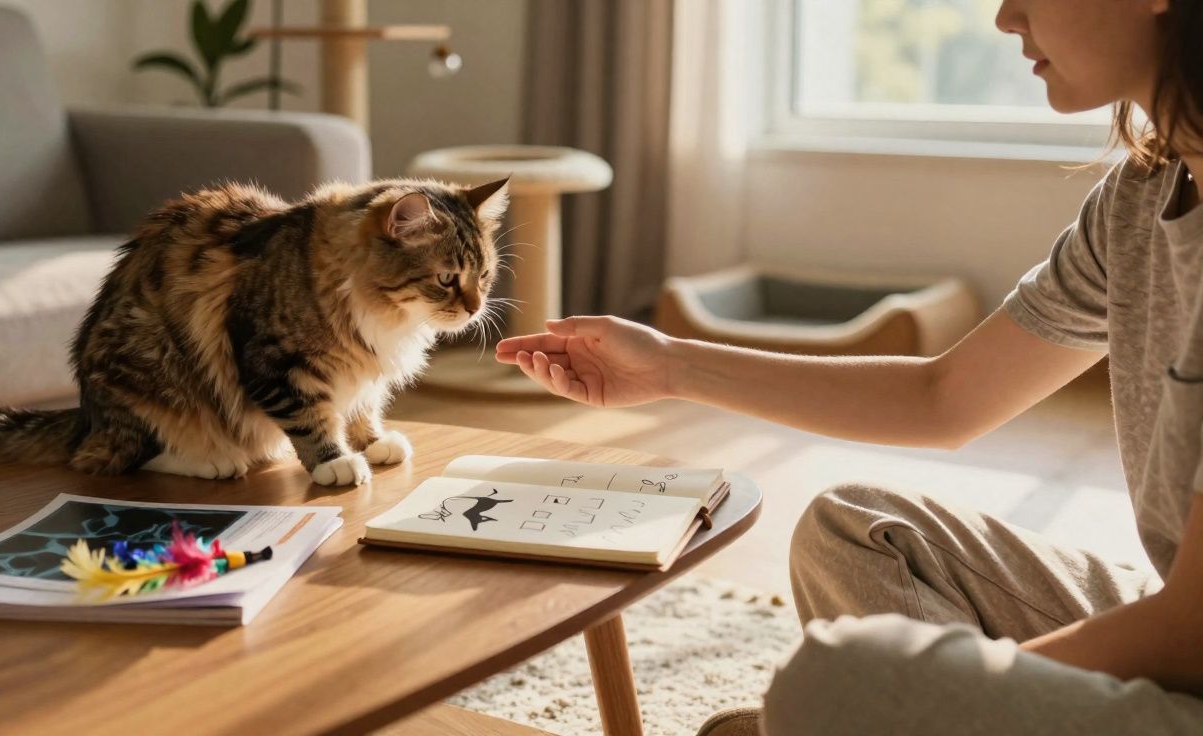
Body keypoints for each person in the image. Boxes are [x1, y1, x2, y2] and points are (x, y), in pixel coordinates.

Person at [495, 0, 1203, 733]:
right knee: (856, 530)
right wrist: (671, 366)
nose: (1005, 17)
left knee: (841, 681)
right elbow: (943, 396)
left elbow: (1191, 632)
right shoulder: (1139, 198)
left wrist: (914, 696)